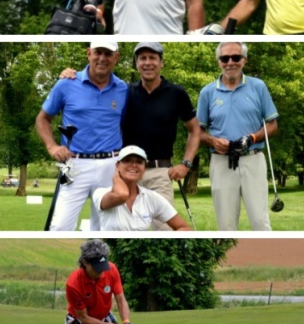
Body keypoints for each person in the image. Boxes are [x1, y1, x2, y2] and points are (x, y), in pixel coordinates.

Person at [60, 42, 201, 230]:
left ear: (162, 63)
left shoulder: (176, 93)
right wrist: (72, 76)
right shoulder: (125, 91)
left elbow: (195, 130)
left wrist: (186, 164)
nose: (147, 63)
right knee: (118, 229)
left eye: (153, 58)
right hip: (126, 171)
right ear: (136, 64)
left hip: (160, 172)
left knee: (165, 232)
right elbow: (97, 83)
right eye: (142, 58)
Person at [36, 41, 128, 231]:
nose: (102, 58)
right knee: (60, 226)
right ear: (88, 53)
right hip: (75, 164)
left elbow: (126, 124)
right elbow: (43, 119)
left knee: (106, 227)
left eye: (108, 54)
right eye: (98, 52)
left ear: (116, 58)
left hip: (111, 165)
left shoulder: (123, 89)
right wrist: (52, 147)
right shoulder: (66, 84)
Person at [197, 42, 279, 230]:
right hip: (221, 161)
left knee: (260, 222)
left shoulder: (258, 86)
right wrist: (213, 141)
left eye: (236, 58)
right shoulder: (207, 92)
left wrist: (252, 138)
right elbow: (197, 132)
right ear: (219, 62)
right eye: (225, 58)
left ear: (244, 61)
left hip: (253, 158)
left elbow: (272, 125)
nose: (230, 62)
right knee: (225, 225)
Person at [92, 145, 192, 231]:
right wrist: (116, 176)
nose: (134, 165)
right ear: (117, 165)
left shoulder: (152, 198)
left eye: (139, 162)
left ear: (145, 168)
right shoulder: (100, 193)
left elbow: (184, 228)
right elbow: (121, 195)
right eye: (127, 160)